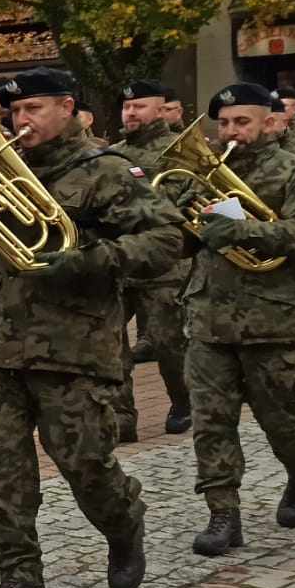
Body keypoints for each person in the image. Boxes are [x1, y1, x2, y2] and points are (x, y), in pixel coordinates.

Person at [0, 68, 181, 588]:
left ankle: (124, 522)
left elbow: (167, 238)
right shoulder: (2, 172)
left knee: (86, 465)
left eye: (34, 111)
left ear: (68, 107)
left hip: (75, 349)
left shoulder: (106, 171)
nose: (20, 123)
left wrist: (91, 259)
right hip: (1, 348)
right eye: (14, 114)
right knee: (0, 470)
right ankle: (19, 579)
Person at [169, 84, 295, 553]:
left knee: (279, 418)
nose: (231, 131)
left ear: (269, 122)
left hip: (273, 318)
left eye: (242, 122)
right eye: (224, 123)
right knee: (210, 421)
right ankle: (223, 514)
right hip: (208, 319)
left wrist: (239, 229)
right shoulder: (204, 176)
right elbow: (180, 243)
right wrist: (181, 222)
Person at [112, 80, 193, 438]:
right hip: (117, 264)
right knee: (110, 345)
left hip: (163, 266)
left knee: (167, 343)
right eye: (127, 107)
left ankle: (183, 401)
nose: (130, 113)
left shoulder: (181, 151)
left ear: (161, 110)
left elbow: (183, 204)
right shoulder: (109, 153)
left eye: (139, 107)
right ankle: (122, 416)